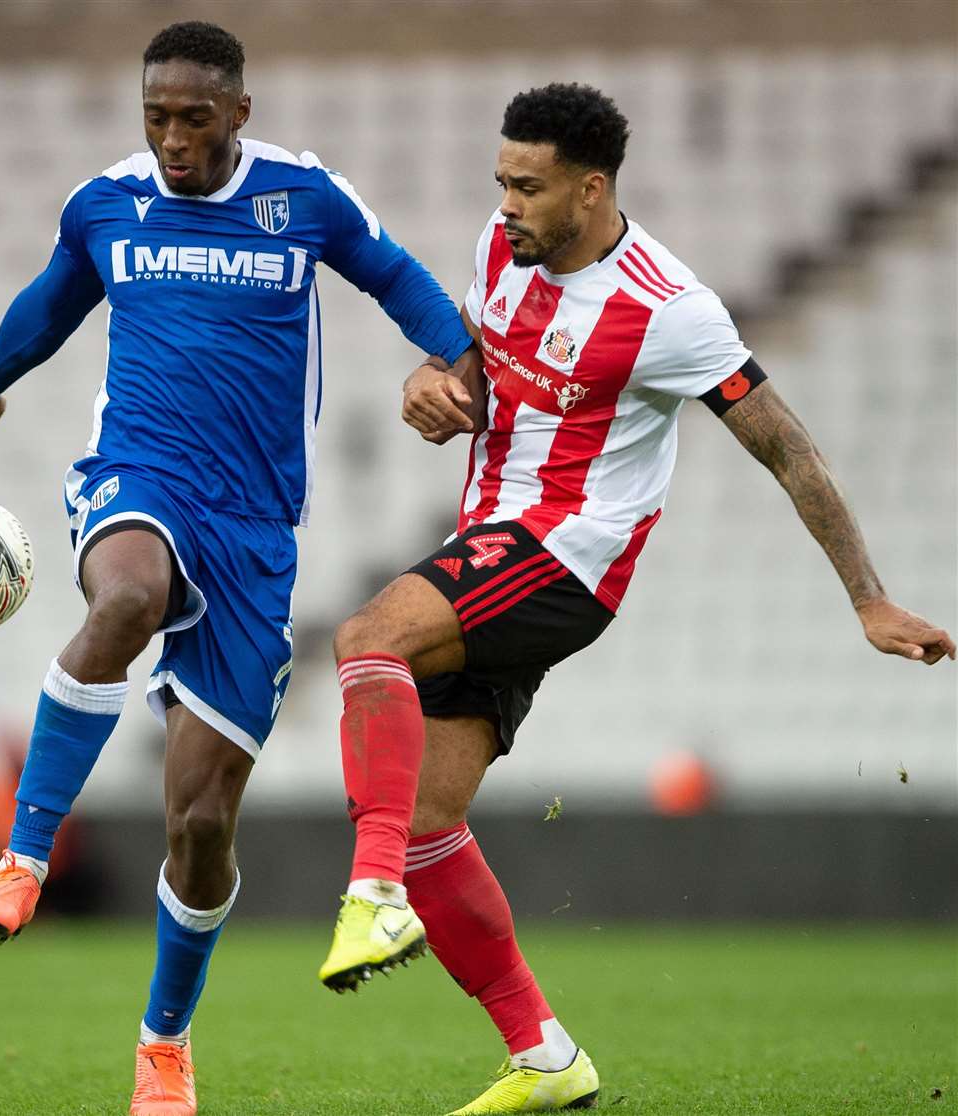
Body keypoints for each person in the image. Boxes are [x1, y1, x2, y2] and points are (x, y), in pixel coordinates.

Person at [316, 82, 956, 1114]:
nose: (507, 204)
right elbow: (479, 366)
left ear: (592, 187)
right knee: (429, 816)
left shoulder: (668, 307)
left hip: (566, 560)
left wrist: (869, 600)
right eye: (500, 183)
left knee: (366, 637)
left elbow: (787, 449)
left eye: (528, 187)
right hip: (487, 543)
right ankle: (545, 1055)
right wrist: (432, 386)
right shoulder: (502, 248)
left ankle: (374, 892)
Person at [0, 21, 475, 1116]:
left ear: (240, 111)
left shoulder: (303, 197)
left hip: (256, 535)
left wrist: (448, 354)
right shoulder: (107, 205)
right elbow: (55, 300)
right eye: (156, 117)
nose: (174, 140)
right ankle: (25, 859)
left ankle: (164, 1044)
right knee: (127, 593)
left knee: (198, 827)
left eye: (195, 118)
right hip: (135, 476)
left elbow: (397, 277)